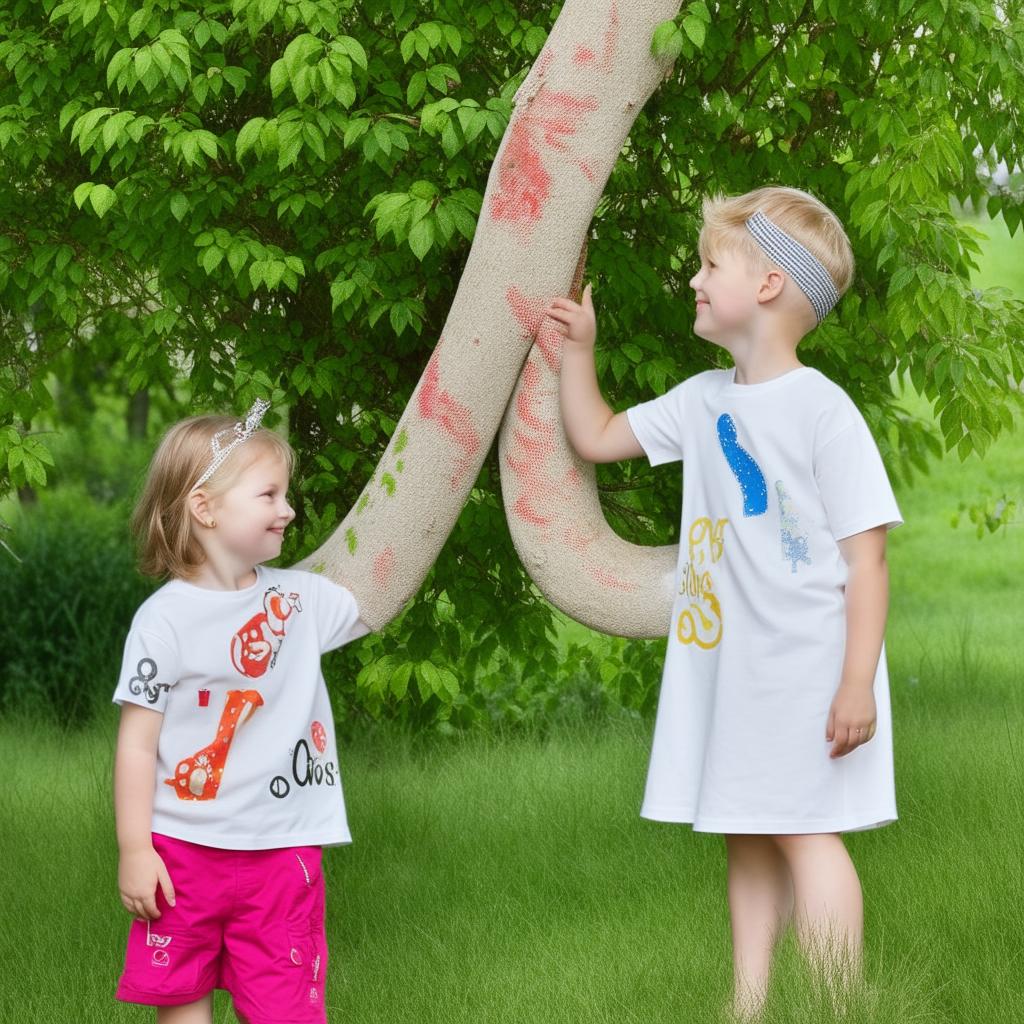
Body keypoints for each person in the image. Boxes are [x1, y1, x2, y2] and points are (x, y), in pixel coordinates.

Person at [546, 185, 903, 1020]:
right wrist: (577, 351)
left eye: (712, 265)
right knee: (745, 829)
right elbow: (597, 437)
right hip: (735, 668)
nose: (695, 280)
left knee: (807, 833)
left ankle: (838, 1006)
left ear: (769, 286)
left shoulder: (824, 412)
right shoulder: (704, 400)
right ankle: (747, 1007)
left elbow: (869, 560)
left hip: (809, 666)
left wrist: (857, 683)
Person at [112, 397, 372, 1024]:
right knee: (180, 998)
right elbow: (136, 745)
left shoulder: (304, 601)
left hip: (283, 855)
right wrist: (133, 849)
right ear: (204, 508)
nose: (289, 509)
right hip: (181, 854)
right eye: (269, 494)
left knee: (289, 1007)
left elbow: (389, 578)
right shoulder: (163, 621)